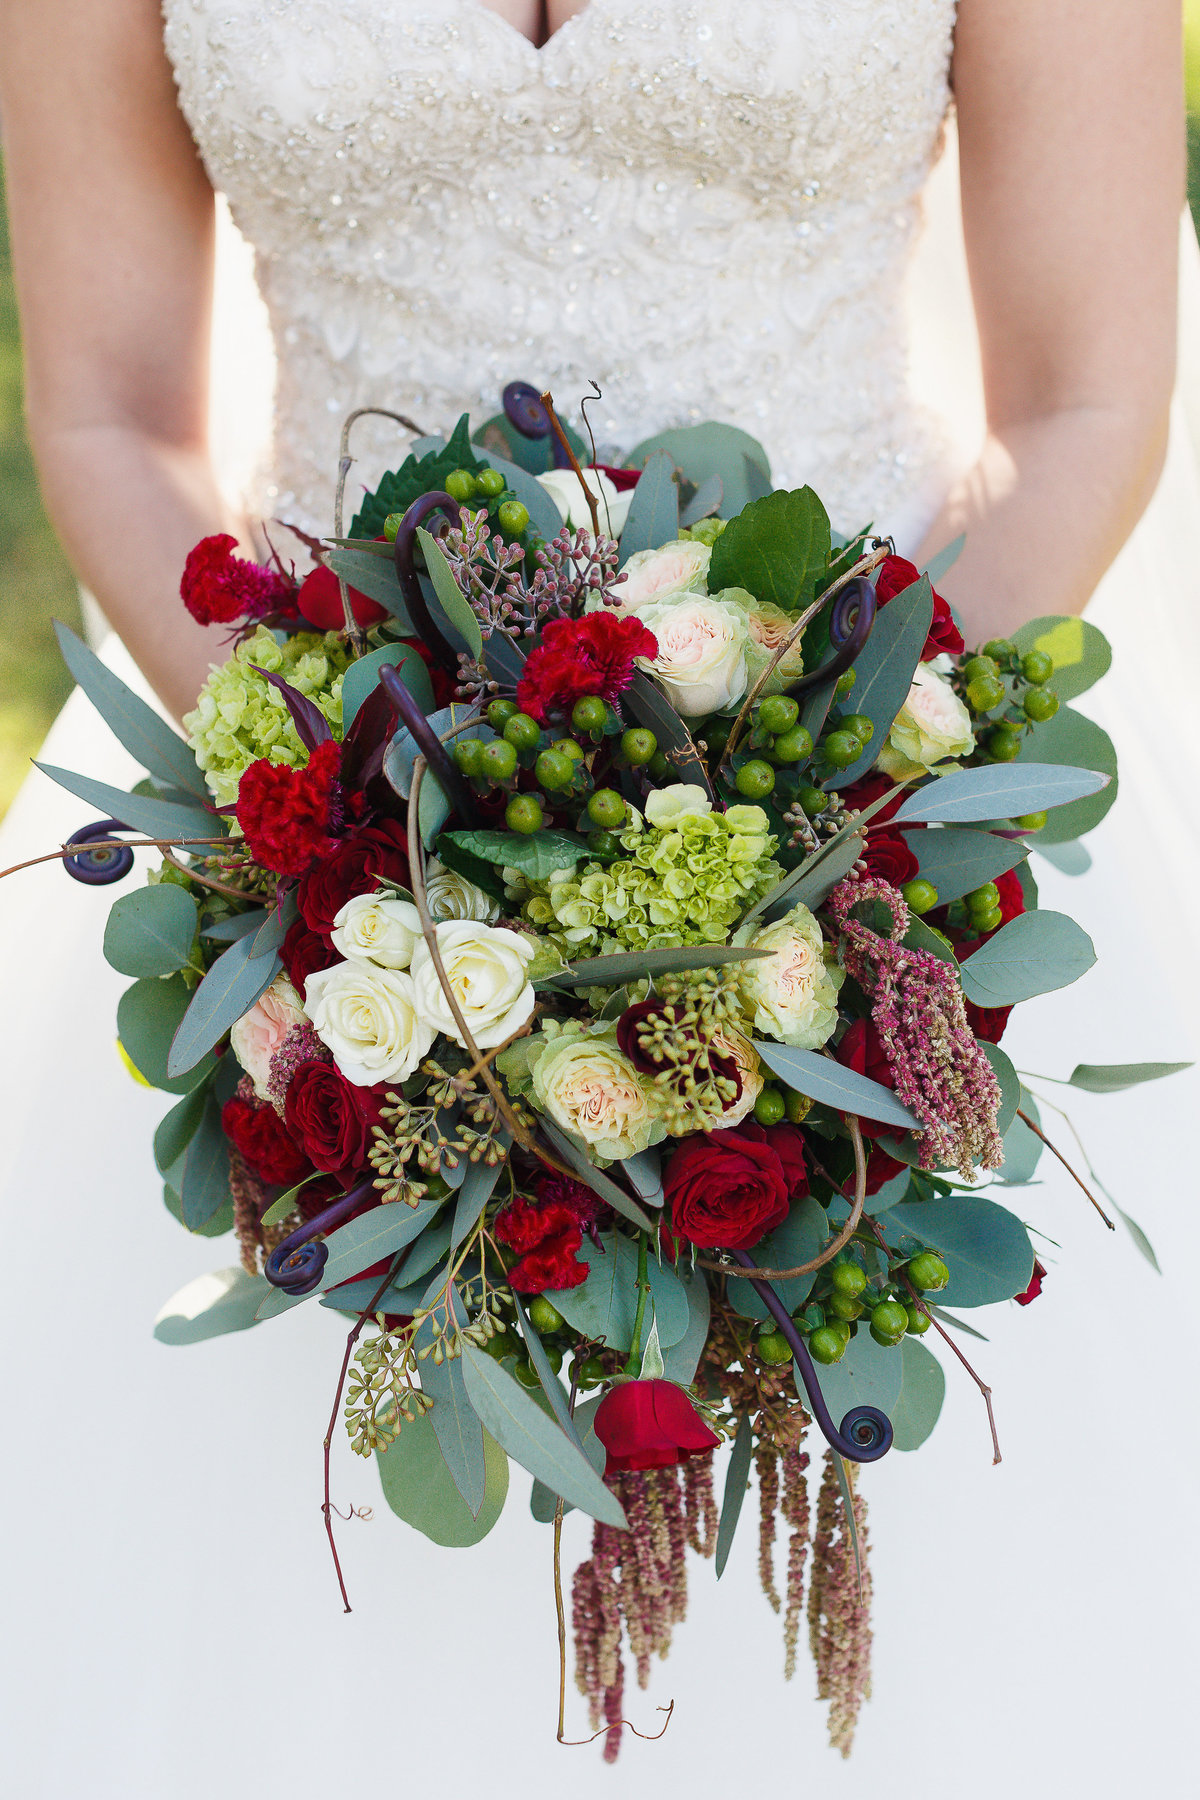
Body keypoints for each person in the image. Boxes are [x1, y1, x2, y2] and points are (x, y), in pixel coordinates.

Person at [1, 4, 1197, 1796]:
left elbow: (1083, 403)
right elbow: (105, 410)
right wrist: (326, 835)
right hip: (334, 920)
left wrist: (835, 830)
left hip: (863, 884)